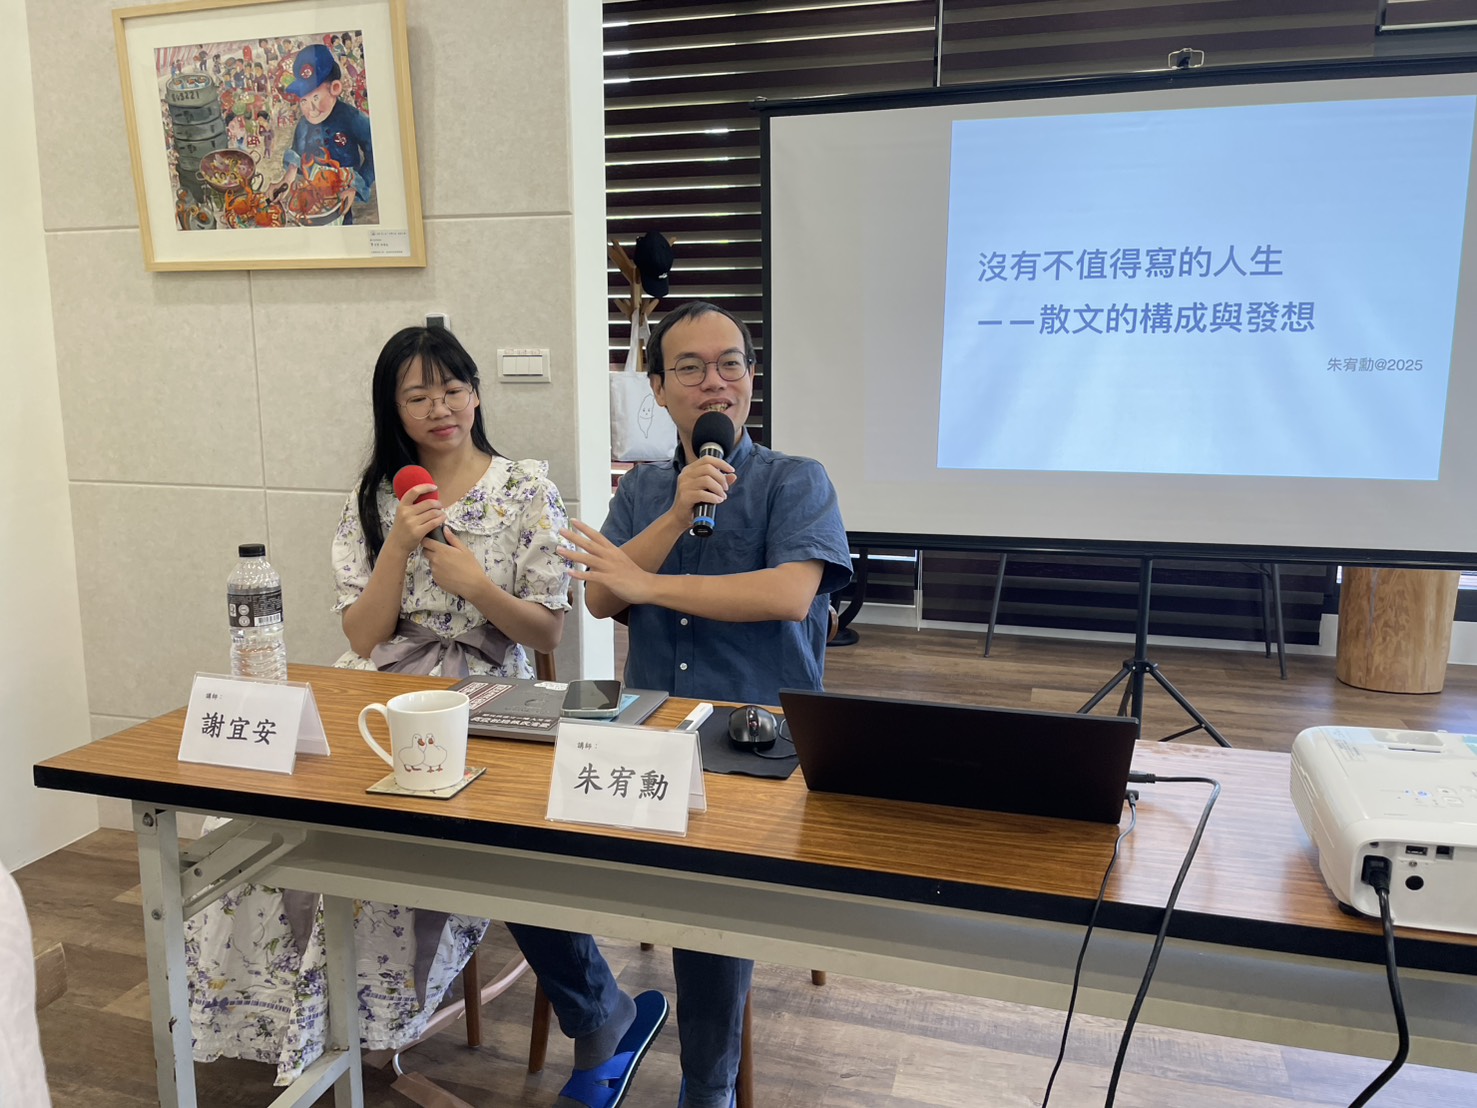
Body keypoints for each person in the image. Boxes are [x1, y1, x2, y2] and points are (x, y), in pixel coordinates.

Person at [185, 326, 574, 1084]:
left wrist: (477, 586)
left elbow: (547, 629)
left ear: (476, 394)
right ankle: (281, 1014)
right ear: (392, 409)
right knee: (250, 826)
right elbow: (362, 635)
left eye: (453, 389)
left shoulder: (528, 490)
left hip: (487, 693)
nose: (440, 408)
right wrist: (397, 545)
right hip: (378, 690)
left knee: (398, 850)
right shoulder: (374, 499)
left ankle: (369, 1022)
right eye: (417, 395)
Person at [508, 300, 852, 1108]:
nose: (713, 382)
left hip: (759, 738)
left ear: (751, 378)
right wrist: (671, 515)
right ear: (657, 390)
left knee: (709, 895)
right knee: (516, 851)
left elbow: (787, 594)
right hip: (647, 728)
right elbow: (601, 601)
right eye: (689, 368)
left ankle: (708, 1088)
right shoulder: (644, 491)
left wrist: (646, 583)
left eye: (729, 364)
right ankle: (600, 1010)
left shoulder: (796, 480)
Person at [270, 42, 373, 223]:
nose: (311, 109)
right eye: (304, 101)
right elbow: (297, 155)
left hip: (340, 197)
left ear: (335, 88)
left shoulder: (352, 117)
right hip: (310, 197)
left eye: (316, 97)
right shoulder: (303, 124)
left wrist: (356, 186)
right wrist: (286, 181)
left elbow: (376, 150)